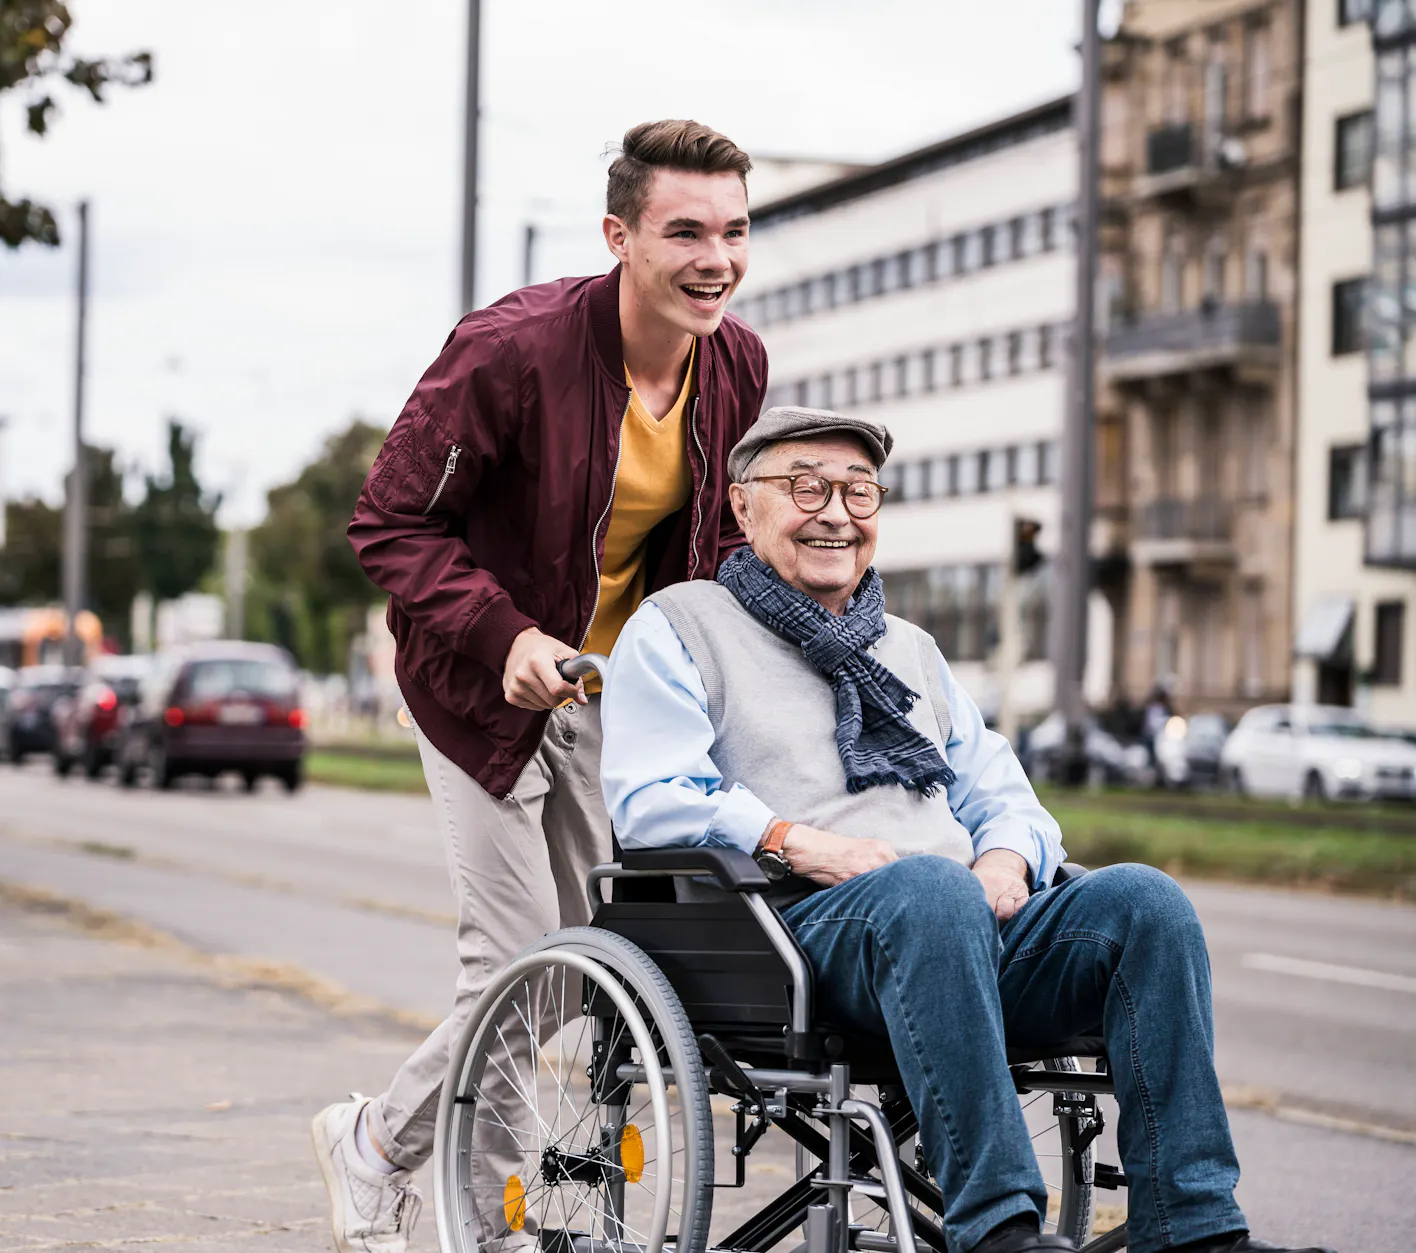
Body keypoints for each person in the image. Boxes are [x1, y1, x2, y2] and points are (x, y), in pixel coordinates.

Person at [599, 406, 1336, 1253]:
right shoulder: (682, 623)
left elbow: (1005, 794)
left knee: (1146, 902)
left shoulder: (909, 648)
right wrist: (797, 839)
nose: (835, 512)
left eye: (858, 490)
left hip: (955, 921)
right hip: (787, 934)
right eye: (805, 487)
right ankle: (997, 1230)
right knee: (932, 893)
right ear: (742, 506)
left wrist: (1006, 858)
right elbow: (651, 794)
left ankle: (1193, 1230)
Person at [312, 119, 769, 1253]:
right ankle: (485, 1217)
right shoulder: (510, 350)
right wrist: (502, 632)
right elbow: (388, 521)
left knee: (572, 974)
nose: (714, 257)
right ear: (618, 236)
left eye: (734, 230)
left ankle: (374, 1142)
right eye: (684, 231)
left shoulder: (736, 366)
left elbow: (710, 558)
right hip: (479, 687)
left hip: (613, 702)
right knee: (515, 960)